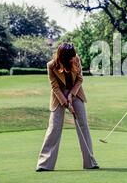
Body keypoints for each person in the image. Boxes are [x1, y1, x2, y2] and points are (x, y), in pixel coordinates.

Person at [36, 43, 99, 171]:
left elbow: (80, 79)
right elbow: (55, 87)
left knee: (83, 126)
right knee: (54, 127)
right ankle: (44, 164)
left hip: (75, 93)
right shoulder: (51, 65)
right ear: (63, 57)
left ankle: (90, 162)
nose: (73, 58)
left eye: (74, 56)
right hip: (58, 96)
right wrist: (66, 103)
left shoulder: (76, 59)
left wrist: (71, 95)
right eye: (70, 57)